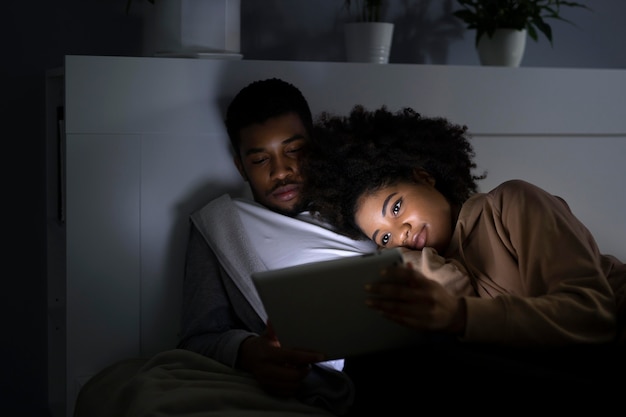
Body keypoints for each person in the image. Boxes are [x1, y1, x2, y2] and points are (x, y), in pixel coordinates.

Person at [301, 105, 626, 409]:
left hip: (608, 342)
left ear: (424, 178)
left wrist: (460, 315)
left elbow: (593, 316)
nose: (400, 232)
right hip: (546, 364)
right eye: (384, 237)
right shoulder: (425, 269)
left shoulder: (509, 203)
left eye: (397, 208)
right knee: (377, 363)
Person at [177, 78, 379, 416]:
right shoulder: (220, 224)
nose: (281, 171)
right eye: (260, 160)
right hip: (318, 379)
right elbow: (197, 338)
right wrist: (251, 352)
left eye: (294, 151)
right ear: (240, 166)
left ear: (314, 147)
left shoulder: (359, 198)